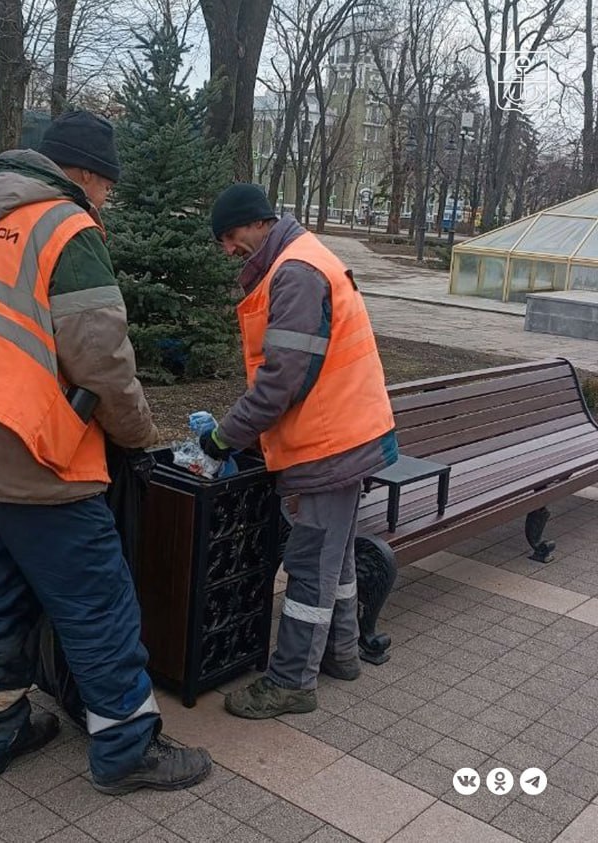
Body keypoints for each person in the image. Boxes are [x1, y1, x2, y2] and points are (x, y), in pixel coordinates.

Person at [0, 110, 213, 794]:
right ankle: (128, 748)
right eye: (106, 187)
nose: (105, 200)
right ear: (87, 175)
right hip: (45, 459)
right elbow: (101, 358)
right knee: (98, 603)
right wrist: (137, 435)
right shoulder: (64, 227)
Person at [200, 183, 398, 719]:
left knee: (310, 563)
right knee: (333, 555)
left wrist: (223, 437)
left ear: (255, 223)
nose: (227, 249)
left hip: (329, 442)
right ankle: (342, 654)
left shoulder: (296, 272)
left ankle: (291, 681)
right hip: (342, 434)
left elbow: (280, 381)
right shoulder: (300, 258)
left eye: (230, 236)